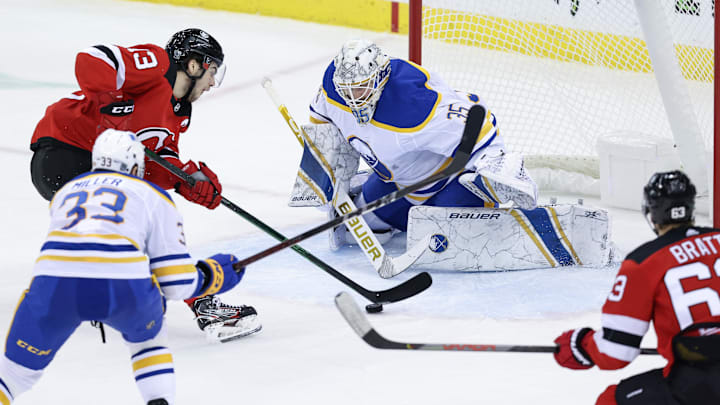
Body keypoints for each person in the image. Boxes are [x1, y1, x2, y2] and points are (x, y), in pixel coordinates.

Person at [0, 130, 257, 405]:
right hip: (121, 287)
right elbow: (176, 283)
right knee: (148, 343)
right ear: (136, 166)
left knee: (14, 376)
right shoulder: (152, 195)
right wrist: (215, 274)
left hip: (54, 285)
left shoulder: (64, 194)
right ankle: (157, 398)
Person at [28, 28, 248, 339]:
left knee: (148, 210)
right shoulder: (156, 65)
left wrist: (189, 180)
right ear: (194, 65)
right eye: (212, 71)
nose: (213, 82)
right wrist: (108, 101)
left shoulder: (179, 111)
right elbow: (92, 59)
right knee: (137, 219)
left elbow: (155, 167)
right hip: (64, 152)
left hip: (101, 167)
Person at [307, 39, 538, 248]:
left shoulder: (412, 105)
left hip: (450, 178)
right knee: (357, 229)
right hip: (401, 180)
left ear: (379, 78)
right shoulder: (334, 87)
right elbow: (322, 127)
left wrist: (495, 163)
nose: (353, 98)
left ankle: (498, 184)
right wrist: (322, 182)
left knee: (452, 242)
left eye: (361, 88)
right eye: (347, 90)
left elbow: (478, 123)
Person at [553, 170, 720, 404]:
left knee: (610, 400)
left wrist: (581, 345)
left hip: (701, 385)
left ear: (652, 213)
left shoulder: (643, 263)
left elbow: (616, 352)